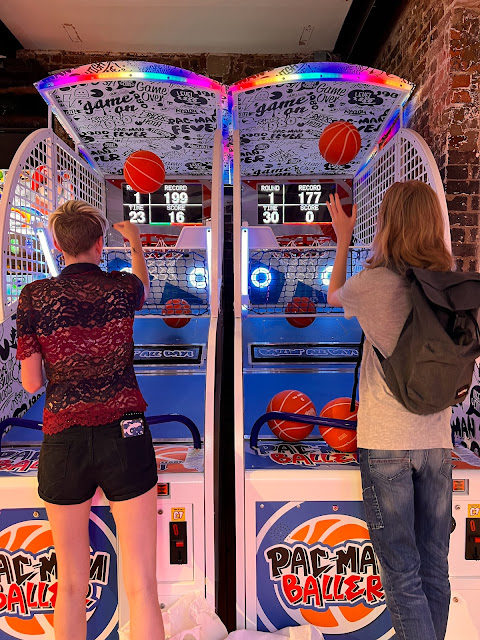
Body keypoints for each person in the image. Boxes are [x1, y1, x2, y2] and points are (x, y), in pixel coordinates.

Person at [16, 200, 165, 640]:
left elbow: (30, 383)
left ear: (59, 246)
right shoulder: (121, 288)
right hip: (126, 434)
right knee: (142, 583)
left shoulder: (34, 297)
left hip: (64, 440)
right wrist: (136, 243)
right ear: (100, 245)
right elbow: (142, 283)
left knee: (72, 586)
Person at [326, 181, 453, 640]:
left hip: (385, 444)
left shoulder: (373, 283)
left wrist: (344, 237)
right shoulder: (450, 283)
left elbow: (333, 294)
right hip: (438, 442)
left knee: (402, 573)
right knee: (434, 567)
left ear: (387, 224)